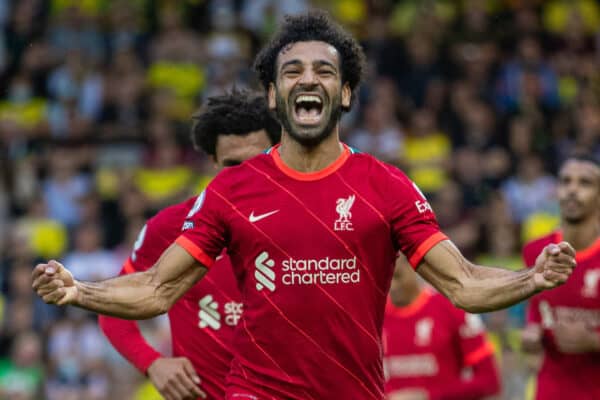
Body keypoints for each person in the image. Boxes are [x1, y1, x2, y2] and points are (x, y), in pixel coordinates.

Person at [33, 12, 576, 399]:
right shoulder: (234, 190)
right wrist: (79, 289)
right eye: (292, 71)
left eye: (324, 71)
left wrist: (532, 279)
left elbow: (461, 284)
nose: (308, 79)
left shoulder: (385, 185)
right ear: (273, 95)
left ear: (345, 94)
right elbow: (156, 288)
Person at [98, 90, 281, 400]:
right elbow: (113, 307)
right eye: (232, 164)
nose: (247, 175)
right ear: (212, 160)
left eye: (258, 162)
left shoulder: (309, 222)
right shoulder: (172, 227)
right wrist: (153, 363)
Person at [521, 154, 600, 400]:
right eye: (566, 182)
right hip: (551, 390)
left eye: (584, 183)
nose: (572, 190)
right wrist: (531, 335)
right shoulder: (536, 251)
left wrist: (594, 341)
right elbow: (537, 311)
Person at [383, 254, 500, 400]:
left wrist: (428, 396)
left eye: (398, 276)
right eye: (385, 277)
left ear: (415, 269)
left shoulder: (452, 309)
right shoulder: (371, 317)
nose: (392, 285)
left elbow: (489, 382)